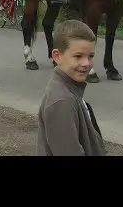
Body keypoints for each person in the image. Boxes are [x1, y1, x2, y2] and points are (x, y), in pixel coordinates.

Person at [36, 19, 106, 156]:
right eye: (78, 56)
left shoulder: (69, 90)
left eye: (90, 56)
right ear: (57, 56)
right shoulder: (62, 102)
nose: (86, 63)